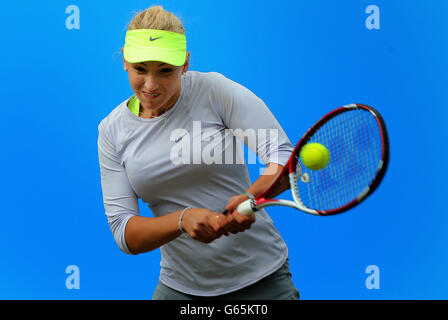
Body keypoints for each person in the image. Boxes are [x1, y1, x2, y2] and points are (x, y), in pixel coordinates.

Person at [97, 5, 299, 300]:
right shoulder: (111, 131)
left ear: (185, 64)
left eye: (165, 71)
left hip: (262, 280)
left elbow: (282, 155)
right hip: (180, 288)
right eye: (141, 69)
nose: (150, 86)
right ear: (125, 61)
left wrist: (250, 197)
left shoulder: (214, 91)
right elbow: (125, 232)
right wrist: (182, 219)